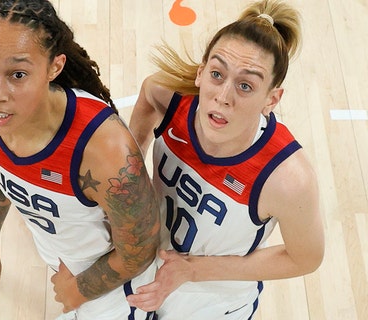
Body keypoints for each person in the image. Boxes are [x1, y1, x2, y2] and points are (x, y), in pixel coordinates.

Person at [0, 0, 161, 318]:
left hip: (118, 290)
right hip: (59, 257)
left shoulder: (106, 150)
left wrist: (81, 288)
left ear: (55, 67)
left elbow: (141, 251)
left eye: (18, 74)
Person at [126, 0, 324, 319]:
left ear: (271, 98)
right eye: (217, 74)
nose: (223, 97)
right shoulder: (165, 95)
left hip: (214, 301)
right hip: (145, 268)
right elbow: (146, 104)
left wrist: (190, 270)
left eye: (245, 86)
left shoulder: (287, 178)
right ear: (201, 73)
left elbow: (305, 259)